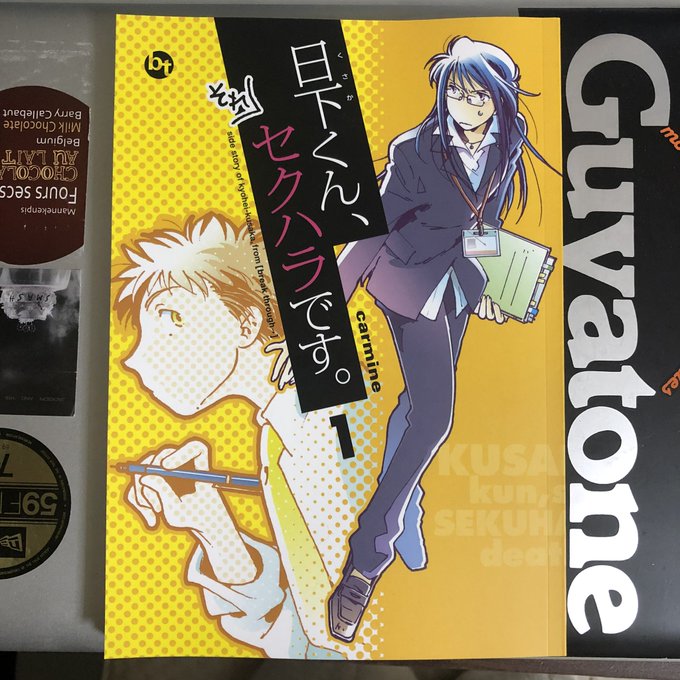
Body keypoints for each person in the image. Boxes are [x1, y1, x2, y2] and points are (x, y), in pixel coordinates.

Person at [329, 35, 556, 642]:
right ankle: (367, 559)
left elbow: (486, 222)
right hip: (405, 281)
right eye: (456, 91)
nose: (464, 105)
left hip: (459, 284)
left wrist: (493, 286)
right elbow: (369, 232)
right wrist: (323, 315)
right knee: (434, 415)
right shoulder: (413, 152)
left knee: (416, 403)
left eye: (478, 96)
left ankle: (406, 508)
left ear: (500, 101)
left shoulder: (508, 141)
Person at [113, 211, 379, 658]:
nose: (133, 358)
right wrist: (215, 529)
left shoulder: (330, 427)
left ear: (245, 324)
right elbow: (314, 634)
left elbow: (370, 632)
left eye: (171, 316)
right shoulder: (279, 436)